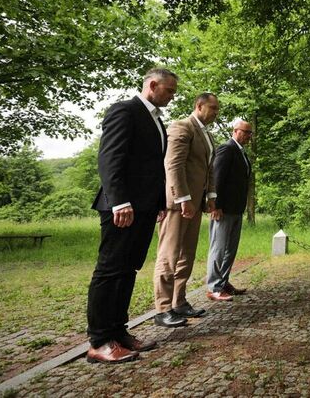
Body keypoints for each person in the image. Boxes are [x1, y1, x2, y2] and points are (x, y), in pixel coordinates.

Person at [86, 68, 178, 363]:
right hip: (122, 208)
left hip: (145, 207)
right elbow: (109, 158)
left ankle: (119, 332)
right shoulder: (125, 111)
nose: (172, 96)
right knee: (110, 270)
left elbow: (152, 167)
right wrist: (119, 201)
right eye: (170, 90)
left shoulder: (157, 121)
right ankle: (99, 341)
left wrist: (159, 202)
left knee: (128, 270)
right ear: (153, 85)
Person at [153, 93, 220, 327]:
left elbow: (209, 169)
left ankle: (178, 302)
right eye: (212, 108)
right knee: (169, 256)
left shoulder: (207, 134)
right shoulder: (182, 127)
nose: (215, 113)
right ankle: (162, 309)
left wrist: (210, 196)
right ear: (199, 106)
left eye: (217, 109)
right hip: (178, 204)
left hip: (195, 203)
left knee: (186, 256)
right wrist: (183, 198)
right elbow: (173, 165)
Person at [206, 119, 253, 301]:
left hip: (236, 209)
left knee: (230, 249)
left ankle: (223, 282)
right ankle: (214, 287)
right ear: (235, 131)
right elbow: (218, 178)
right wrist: (216, 205)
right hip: (223, 209)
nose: (249, 136)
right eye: (246, 132)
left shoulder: (241, 152)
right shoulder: (227, 149)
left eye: (250, 133)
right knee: (218, 248)